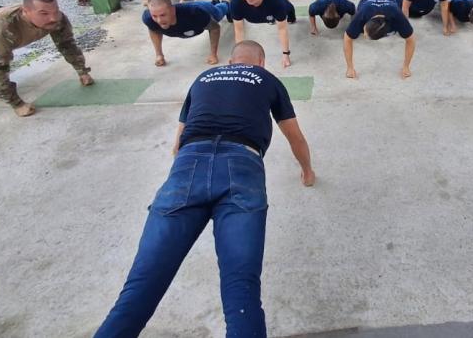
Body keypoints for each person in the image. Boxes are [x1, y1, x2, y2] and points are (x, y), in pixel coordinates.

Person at [94, 40, 315, 338]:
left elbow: (178, 142)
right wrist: (307, 171)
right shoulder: (267, 79)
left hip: (189, 166)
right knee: (241, 292)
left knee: (138, 291)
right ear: (260, 63)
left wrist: (184, 177)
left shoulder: (202, 79)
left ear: (229, 61)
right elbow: (295, 137)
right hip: (242, 166)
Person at [230, 0, 296, 68]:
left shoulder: (276, 1)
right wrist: (239, 58)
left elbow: (282, 29)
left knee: (290, 11)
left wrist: (286, 54)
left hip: (278, 4)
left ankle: (290, 16)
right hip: (254, 16)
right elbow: (239, 30)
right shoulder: (236, 1)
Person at [142, 0, 229, 67]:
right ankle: (214, 2)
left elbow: (215, 28)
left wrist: (213, 54)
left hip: (204, 9)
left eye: (163, 15)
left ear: (173, 10)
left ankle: (226, 3)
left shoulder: (196, 13)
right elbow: (153, 30)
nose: (159, 20)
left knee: (219, 12)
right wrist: (159, 55)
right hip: (190, 7)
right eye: (154, 16)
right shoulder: (149, 19)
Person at [344, 0, 416, 79]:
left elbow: (411, 39)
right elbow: (347, 38)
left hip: (389, 0)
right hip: (366, 0)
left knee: (403, 29)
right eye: (364, 30)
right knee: (354, 28)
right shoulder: (362, 14)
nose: (364, 35)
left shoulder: (397, 15)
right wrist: (350, 67)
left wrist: (406, 66)